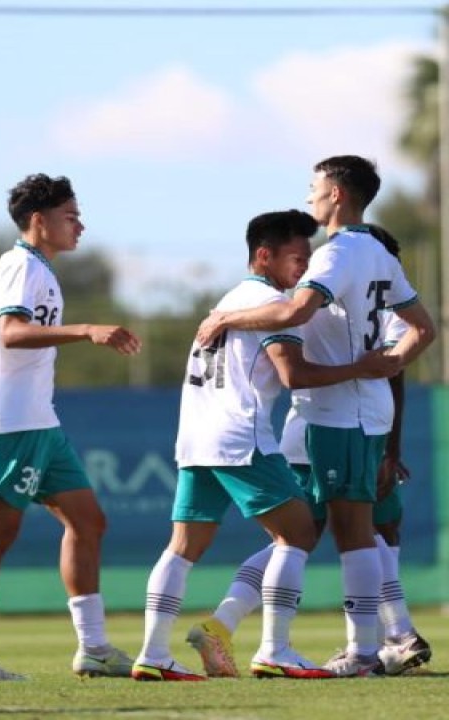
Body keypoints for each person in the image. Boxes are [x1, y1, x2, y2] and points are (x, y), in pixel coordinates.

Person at [131, 209, 401, 682]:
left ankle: (153, 653)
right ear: (264, 255)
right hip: (241, 438)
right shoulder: (271, 305)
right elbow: (294, 375)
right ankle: (275, 648)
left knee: (182, 546)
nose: (306, 268)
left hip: (197, 438)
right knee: (297, 534)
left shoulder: (228, 302)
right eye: (298, 257)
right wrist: (361, 367)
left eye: (309, 257)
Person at [195, 156, 436, 677]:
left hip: (337, 413)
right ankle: (361, 641)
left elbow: (294, 312)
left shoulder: (338, 254)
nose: (310, 198)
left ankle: (364, 651)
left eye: (315, 188)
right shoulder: (377, 251)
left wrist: (226, 316)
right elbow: (424, 328)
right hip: (356, 412)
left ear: (338, 196)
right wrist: (388, 364)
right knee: (329, 531)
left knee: (353, 532)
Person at [0, 173, 142, 682]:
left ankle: (94, 647)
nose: (81, 225)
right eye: (70, 216)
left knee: (88, 521)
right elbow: (10, 332)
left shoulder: (39, 269)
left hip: (40, 421)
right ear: (39, 221)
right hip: (12, 421)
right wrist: (87, 330)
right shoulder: (18, 266)